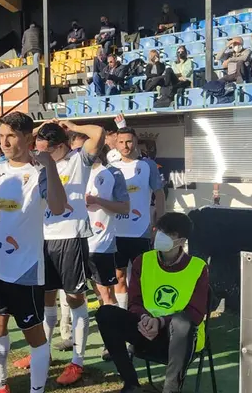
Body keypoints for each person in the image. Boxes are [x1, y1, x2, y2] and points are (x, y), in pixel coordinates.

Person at [0, 112, 66, 393]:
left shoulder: (39, 171)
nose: (4, 142)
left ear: (28, 138)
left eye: (10, 136)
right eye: (1, 136)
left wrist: (49, 165)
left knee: (34, 335)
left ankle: (36, 390)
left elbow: (59, 207)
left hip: (25, 269)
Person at [12, 120, 104, 386]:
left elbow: (98, 133)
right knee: (46, 300)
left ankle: (77, 362)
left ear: (61, 146)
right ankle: (43, 353)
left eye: (46, 151)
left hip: (70, 238)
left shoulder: (78, 159)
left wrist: (73, 125)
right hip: (43, 238)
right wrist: (37, 130)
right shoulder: (40, 165)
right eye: (39, 150)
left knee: (75, 298)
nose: (40, 155)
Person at [97, 212, 209, 393]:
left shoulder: (198, 267)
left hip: (179, 338)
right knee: (105, 313)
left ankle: (170, 390)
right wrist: (144, 318)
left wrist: (161, 322)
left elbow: (195, 313)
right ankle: (131, 383)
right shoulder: (143, 261)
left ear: (181, 241)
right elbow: (134, 301)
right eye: (160, 230)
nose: (160, 236)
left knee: (183, 323)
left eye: (169, 234)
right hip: (145, 329)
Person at [111, 124, 165, 313]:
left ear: (135, 142)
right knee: (118, 276)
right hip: (116, 232)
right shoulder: (111, 168)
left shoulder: (147, 165)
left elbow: (159, 194)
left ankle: (144, 313)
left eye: (129, 141)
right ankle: (123, 314)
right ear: (116, 144)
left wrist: (159, 225)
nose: (125, 145)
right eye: (121, 142)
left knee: (142, 276)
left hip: (141, 231)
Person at [85, 147, 130, 358]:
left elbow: (124, 208)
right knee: (92, 294)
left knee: (107, 295)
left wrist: (96, 200)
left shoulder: (112, 173)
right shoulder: (75, 171)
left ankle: (114, 343)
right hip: (77, 243)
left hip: (101, 244)